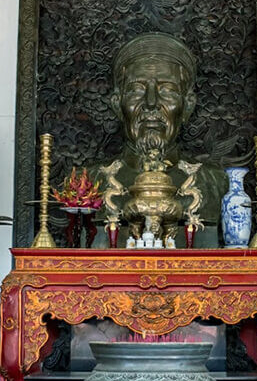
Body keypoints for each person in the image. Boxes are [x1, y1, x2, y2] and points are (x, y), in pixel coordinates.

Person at [91, 33, 227, 247]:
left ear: (188, 105)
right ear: (118, 104)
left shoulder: (214, 181)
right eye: (136, 90)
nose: (151, 104)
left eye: (167, 91)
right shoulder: (90, 181)